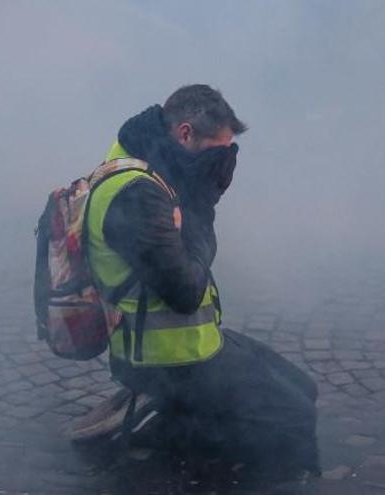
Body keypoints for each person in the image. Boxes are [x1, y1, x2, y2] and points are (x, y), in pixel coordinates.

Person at [70, 84, 318, 474]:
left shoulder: (148, 164)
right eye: (218, 153)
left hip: (189, 345)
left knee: (304, 388)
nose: (222, 164)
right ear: (185, 133)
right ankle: (165, 432)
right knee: (293, 417)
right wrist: (202, 207)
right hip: (167, 358)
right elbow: (185, 291)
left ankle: (179, 420)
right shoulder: (137, 194)